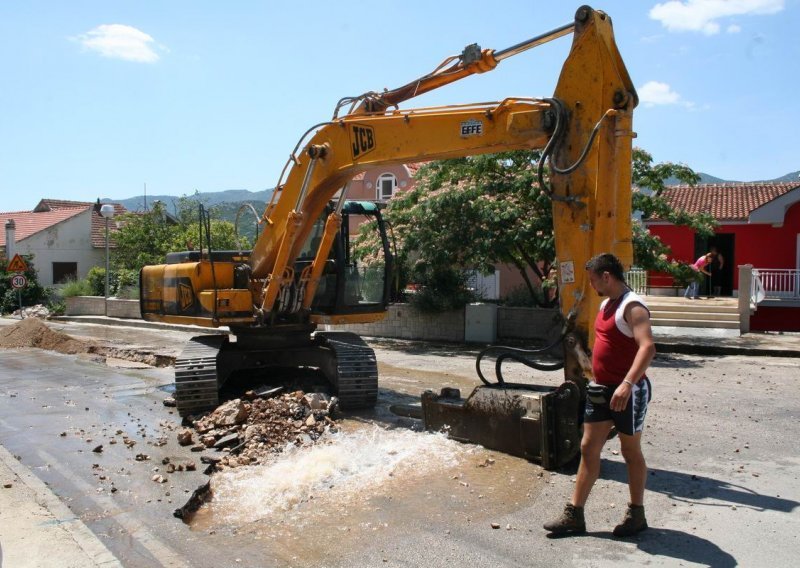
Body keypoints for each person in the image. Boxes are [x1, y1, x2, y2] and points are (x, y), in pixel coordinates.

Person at [544, 253, 656, 537]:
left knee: (631, 451)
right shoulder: (606, 305)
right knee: (587, 447)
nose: (592, 286)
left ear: (607, 276)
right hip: (601, 390)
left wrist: (627, 384)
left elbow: (647, 348)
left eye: (594, 280)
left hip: (628, 392)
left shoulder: (633, 307)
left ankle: (636, 514)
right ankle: (575, 515)